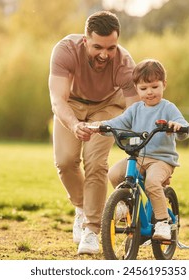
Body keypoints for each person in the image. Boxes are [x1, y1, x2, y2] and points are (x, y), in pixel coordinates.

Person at [48, 10, 139, 254]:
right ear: (85, 39)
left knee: (96, 162)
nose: (105, 54)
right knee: (65, 162)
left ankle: (91, 230)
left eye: (111, 47)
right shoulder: (66, 50)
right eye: (98, 47)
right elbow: (58, 100)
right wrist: (74, 124)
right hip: (71, 105)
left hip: (108, 107)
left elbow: (135, 109)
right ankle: (83, 208)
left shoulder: (124, 63)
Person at [89, 59, 189, 240]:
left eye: (154, 87)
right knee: (114, 174)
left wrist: (177, 126)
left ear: (163, 85)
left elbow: (184, 127)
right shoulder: (135, 109)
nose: (149, 92)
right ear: (136, 88)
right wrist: (101, 126)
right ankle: (126, 205)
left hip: (161, 160)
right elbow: (118, 123)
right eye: (143, 88)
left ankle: (162, 222)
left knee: (152, 183)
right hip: (138, 158)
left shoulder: (168, 108)